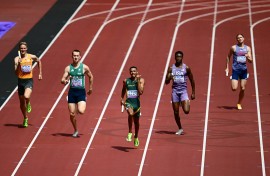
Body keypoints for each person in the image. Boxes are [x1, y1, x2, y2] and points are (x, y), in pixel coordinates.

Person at [61, 49, 93, 137]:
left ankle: (80, 105)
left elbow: (91, 76)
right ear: (72, 57)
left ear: (80, 57)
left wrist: (90, 88)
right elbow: (62, 79)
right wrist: (65, 80)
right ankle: (75, 130)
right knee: (72, 114)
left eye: (77, 56)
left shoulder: (84, 67)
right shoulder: (68, 68)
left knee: (81, 111)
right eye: (74, 55)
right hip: (72, 92)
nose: (75, 57)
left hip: (81, 92)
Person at [165, 51, 195, 135]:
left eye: (180, 57)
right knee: (176, 112)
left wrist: (193, 92)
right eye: (177, 57)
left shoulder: (186, 68)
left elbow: (192, 80)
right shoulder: (171, 68)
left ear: (182, 57)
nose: (178, 58)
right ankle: (180, 128)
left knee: (186, 111)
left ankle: (185, 102)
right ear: (175, 58)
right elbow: (166, 82)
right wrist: (169, 77)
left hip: (183, 91)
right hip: (175, 91)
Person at [14, 41, 42, 127]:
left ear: (26, 49)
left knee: (26, 96)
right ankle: (25, 118)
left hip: (28, 80)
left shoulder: (31, 57)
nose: (23, 49)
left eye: (24, 48)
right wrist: (19, 64)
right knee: (22, 103)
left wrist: (40, 73)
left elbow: (39, 61)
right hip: (20, 81)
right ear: (19, 49)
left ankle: (28, 102)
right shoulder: (16, 59)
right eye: (21, 48)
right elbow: (15, 73)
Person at [225, 34, 252, 110]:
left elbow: (251, 61)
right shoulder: (233, 48)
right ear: (237, 39)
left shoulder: (247, 48)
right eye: (238, 38)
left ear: (244, 38)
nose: (239, 39)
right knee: (234, 89)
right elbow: (228, 57)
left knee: (243, 88)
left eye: (241, 37)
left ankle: (239, 103)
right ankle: (232, 78)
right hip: (235, 70)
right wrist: (227, 67)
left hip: (244, 71)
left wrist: (248, 57)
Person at [121, 66, 145, 147]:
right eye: (131, 71)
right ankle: (130, 132)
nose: (132, 73)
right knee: (130, 114)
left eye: (134, 71)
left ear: (137, 72)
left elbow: (141, 92)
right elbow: (123, 89)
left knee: (137, 122)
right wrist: (121, 99)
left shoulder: (141, 80)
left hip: (137, 105)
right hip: (129, 103)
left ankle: (136, 137)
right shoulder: (126, 81)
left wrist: (137, 81)